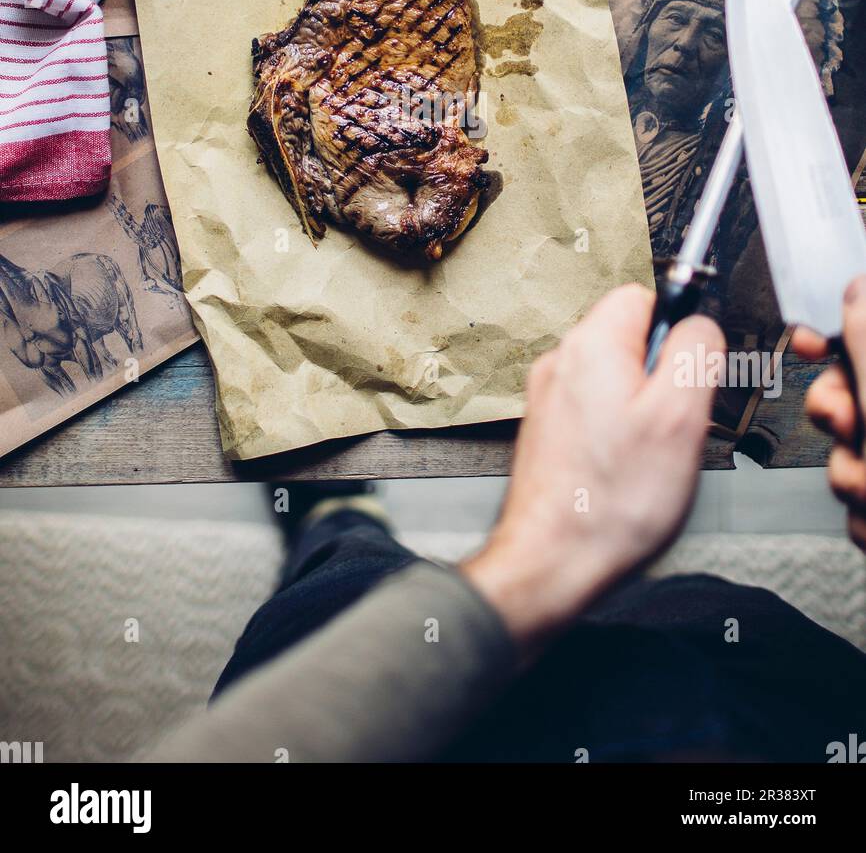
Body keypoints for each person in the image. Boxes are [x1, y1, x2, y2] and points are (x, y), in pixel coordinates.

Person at [148, 281, 866, 764]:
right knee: (717, 613)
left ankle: (339, 522)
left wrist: (544, 554)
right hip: (770, 712)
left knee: (344, 590)